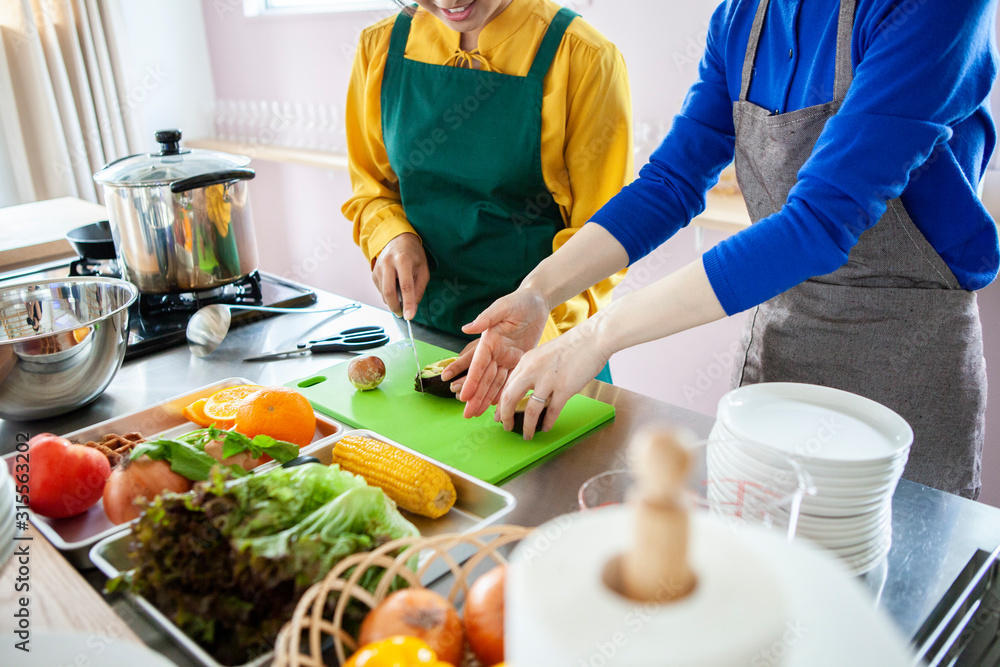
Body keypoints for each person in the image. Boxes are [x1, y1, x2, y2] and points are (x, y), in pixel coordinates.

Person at [457, 0, 998, 500]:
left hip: (904, 367)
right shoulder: (743, 16)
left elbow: (819, 224)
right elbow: (671, 182)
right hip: (783, 350)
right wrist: (537, 292)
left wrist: (598, 336)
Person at [343, 0, 633, 385]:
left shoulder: (584, 57)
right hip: (423, 344)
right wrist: (391, 235)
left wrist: (534, 335)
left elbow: (603, 238)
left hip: (545, 357)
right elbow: (371, 189)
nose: (448, 2)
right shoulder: (379, 47)